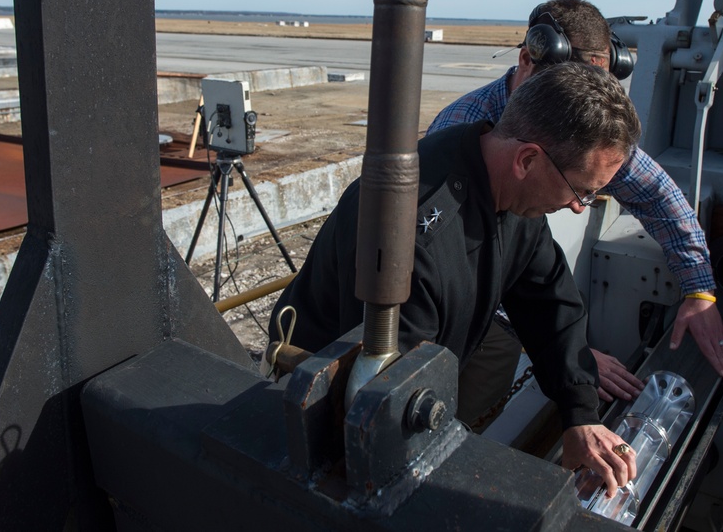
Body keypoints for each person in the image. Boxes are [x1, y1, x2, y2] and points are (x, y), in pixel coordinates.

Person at [274, 62, 641, 496]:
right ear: (527, 160)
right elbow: (380, 406)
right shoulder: (411, 241)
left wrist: (581, 414)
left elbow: (549, 300)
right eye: (581, 191)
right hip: (320, 419)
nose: (580, 207)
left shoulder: (509, 192)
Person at [428, 0, 723, 414]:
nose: (578, 207)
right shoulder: (458, 127)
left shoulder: (581, 122)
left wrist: (699, 290)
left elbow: (657, 195)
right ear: (528, 60)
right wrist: (566, 354)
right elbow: (452, 271)